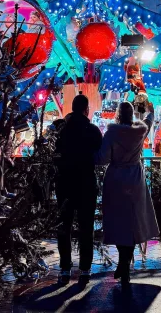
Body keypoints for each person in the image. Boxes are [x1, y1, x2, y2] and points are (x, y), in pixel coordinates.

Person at [95, 102, 159, 286]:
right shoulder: (140, 131)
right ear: (132, 115)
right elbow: (149, 119)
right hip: (135, 178)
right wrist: (150, 109)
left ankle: (123, 263)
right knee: (132, 220)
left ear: (117, 115)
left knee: (118, 220)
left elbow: (102, 159)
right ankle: (124, 264)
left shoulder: (111, 133)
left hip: (115, 178)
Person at [55, 94, 103, 285]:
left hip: (64, 182)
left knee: (63, 227)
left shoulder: (60, 128)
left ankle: (65, 268)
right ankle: (85, 269)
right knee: (86, 228)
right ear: (86, 110)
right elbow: (99, 149)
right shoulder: (91, 130)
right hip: (85, 183)